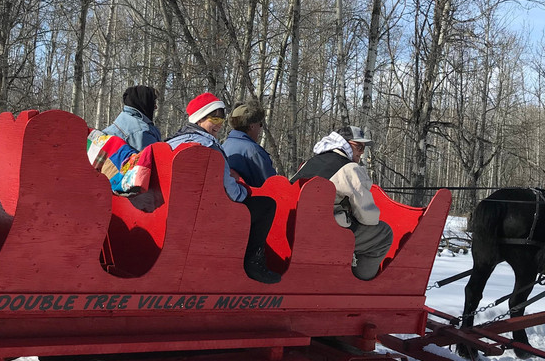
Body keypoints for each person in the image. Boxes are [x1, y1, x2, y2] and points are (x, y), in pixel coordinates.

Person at [167, 92, 280, 284]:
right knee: (266, 205)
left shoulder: (171, 142)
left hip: (179, 211)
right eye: (214, 118)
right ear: (200, 118)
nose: (219, 124)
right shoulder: (209, 146)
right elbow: (234, 194)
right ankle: (253, 263)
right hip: (207, 215)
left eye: (221, 119)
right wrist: (244, 189)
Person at [291, 125, 394, 280]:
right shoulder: (349, 168)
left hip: (294, 228)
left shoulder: (309, 163)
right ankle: (363, 282)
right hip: (325, 235)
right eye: (358, 146)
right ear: (344, 144)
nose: (361, 152)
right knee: (383, 233)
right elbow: (367, 216)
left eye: (363, 148)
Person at [223, 101, 277, 187]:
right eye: (260, 124)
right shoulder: (253, 151)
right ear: (252, 126)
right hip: (250, 195)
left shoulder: (223, 146)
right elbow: (272, 184)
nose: (260, 129)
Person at [103, 85, 161, 150]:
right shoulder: (141, 132)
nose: (155, 107)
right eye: (153, 103)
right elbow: (152, 155)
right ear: (144, 103)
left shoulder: (122, 119)